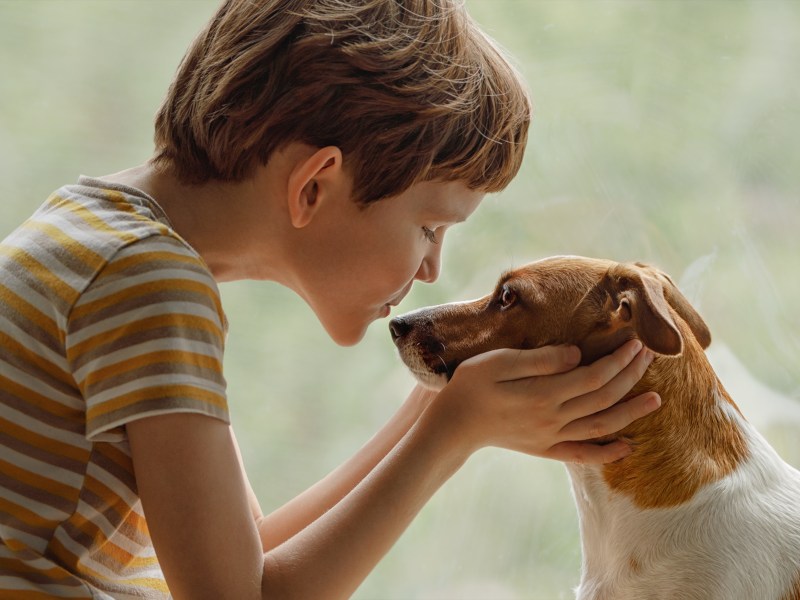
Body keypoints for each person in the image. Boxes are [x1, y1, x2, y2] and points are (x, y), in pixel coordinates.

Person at [0, 0, 661, 598]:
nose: (433, 268)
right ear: (315, 185)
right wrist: (450, 435)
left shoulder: (96, 237)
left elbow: (253, 556)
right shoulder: (150, 287)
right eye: (430, 227)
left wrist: (433, 408)